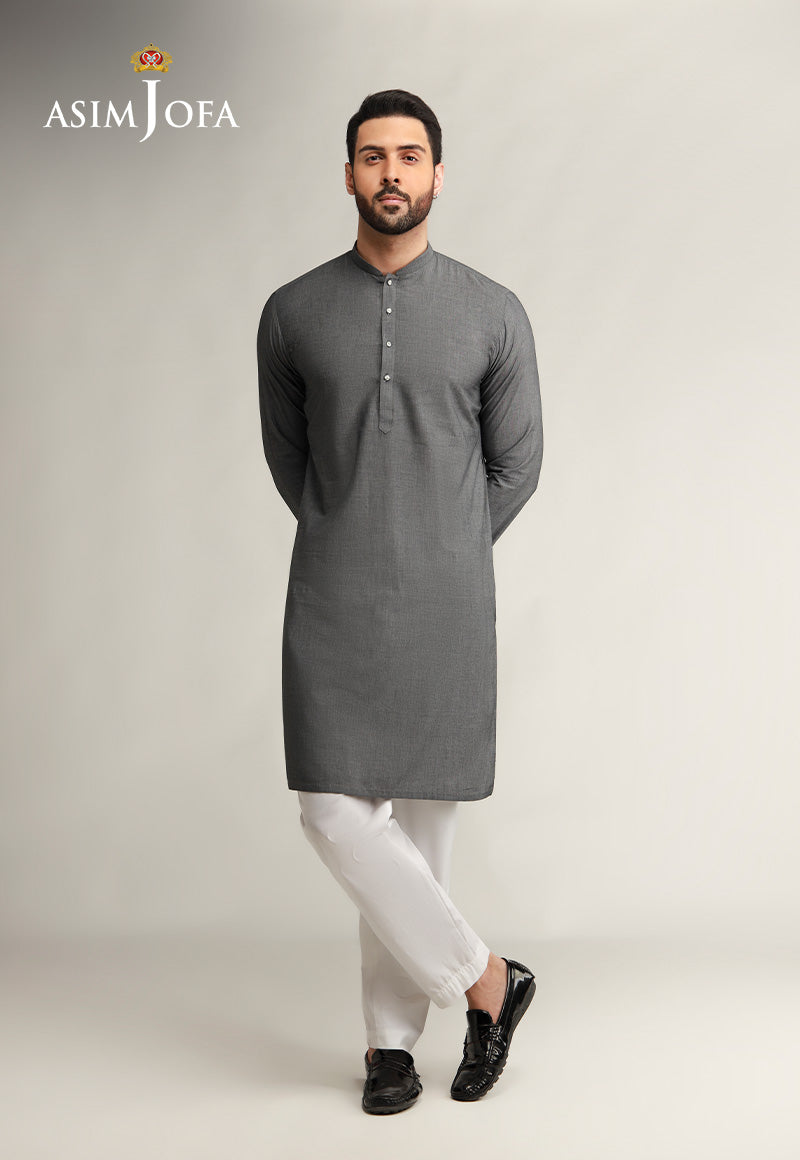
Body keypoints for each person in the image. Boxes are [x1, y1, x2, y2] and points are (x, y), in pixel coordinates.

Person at [257, 89, 543, 1114]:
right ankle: (487, 980)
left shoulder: (491, 311)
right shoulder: (292, 312)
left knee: (421, 839)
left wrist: (440, 550)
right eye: (372, 155)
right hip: (331, 597)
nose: (390, 172)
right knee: (334, 808)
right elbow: (292, 463)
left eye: (409, 155)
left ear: (435, 174)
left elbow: (517, 463)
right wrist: (358, 541)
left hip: (447, 605)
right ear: (348, 174)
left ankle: (389, 1048)